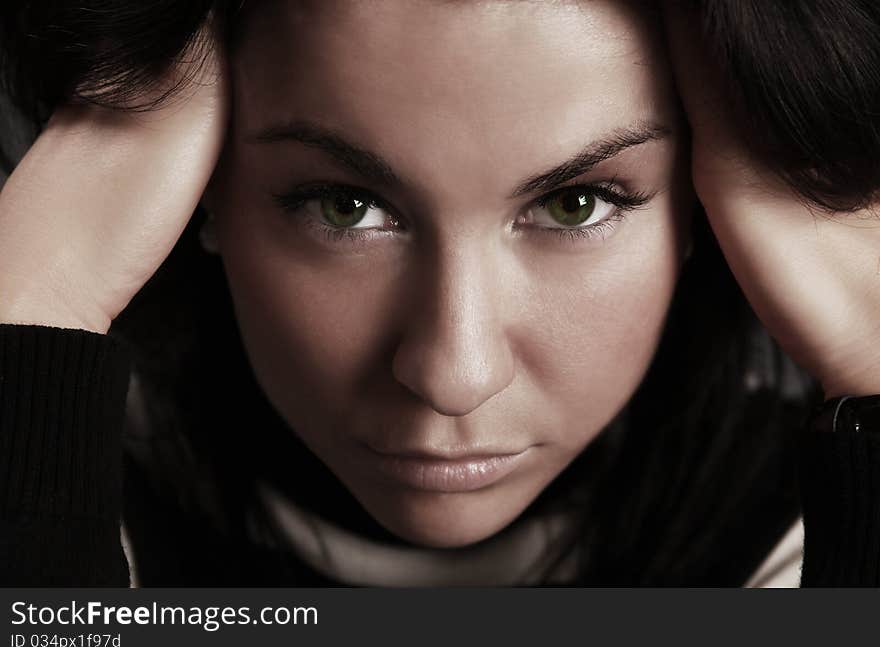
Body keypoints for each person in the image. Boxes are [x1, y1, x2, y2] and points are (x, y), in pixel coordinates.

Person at [0, 0, 878, 586]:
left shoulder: (806, 530)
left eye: (575, 204)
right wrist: (34, 299)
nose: (453, 373)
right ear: (195, 189)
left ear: (705, 206)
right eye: (346, 207)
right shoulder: (65, 493)